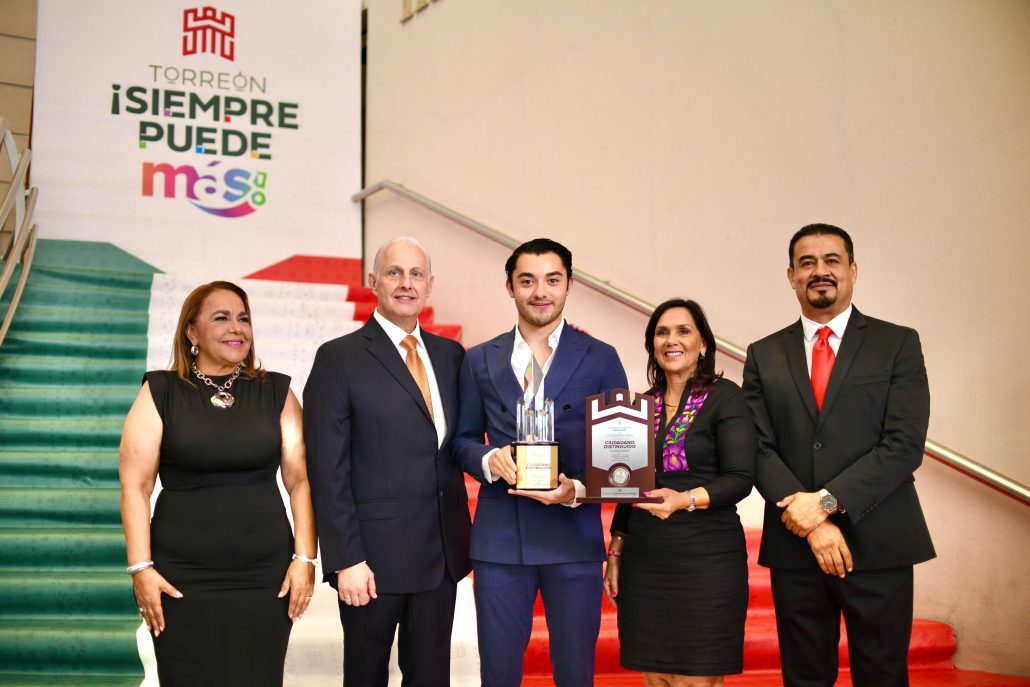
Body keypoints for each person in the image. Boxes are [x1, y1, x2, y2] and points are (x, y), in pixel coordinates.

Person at [742, 224, 935, 687]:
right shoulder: (763, 354)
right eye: (807, 263)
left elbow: (904, 444)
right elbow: (757, 447)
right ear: (791, 276)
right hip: (796, 546)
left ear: (853, 270)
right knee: (804, 677)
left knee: (882, 675)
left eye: (832, 260)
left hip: (880, 540)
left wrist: (825, 504)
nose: (820, 271)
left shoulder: (897, 343)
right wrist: (812, 523)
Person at [119, 281, 316, 686]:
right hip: (181, 578)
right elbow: (135, 487)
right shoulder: (160, 391)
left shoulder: (277, 391)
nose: (237, 328)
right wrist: (141, 568)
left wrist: (305, 559)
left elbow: (300, 481)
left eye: (243, 318)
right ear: (191, 332)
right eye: (221, 318)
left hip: (264, 577)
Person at [452, 238, 628, 687]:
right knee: (498, 673)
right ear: (509, 287)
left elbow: (622, 460)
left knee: (575, 674)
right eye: (527, 281)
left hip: (574, 538)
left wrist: (575, 490)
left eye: (552, 280)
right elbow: (462, 440)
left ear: (569, 284)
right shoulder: (479, 360)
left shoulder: (601, 357)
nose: (540, 292)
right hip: (500, 542)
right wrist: (489, 458)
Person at [303, 237, 471, 686]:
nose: (406, 283)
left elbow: (458, 445)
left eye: (416, 274)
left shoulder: (451, 356)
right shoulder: (338, 358)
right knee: (366, 677)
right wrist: (346, 559)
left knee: (431, 678)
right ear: (373, 281)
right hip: (372, 563)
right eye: (394, 273)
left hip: (441, 556)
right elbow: (327, 469)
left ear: (430, 284)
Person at [604, 298, 756, 687]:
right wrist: (616, 551)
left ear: (703, 343)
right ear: (652, 345)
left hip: (706, 561)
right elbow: (626, 487)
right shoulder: (638, 407)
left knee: (696, 679)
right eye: (662, 332)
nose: (672, 340)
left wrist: (683, 499)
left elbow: (740, 478)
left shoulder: (727, 396)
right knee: (656, 677)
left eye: (683, 331)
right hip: (646, 561)